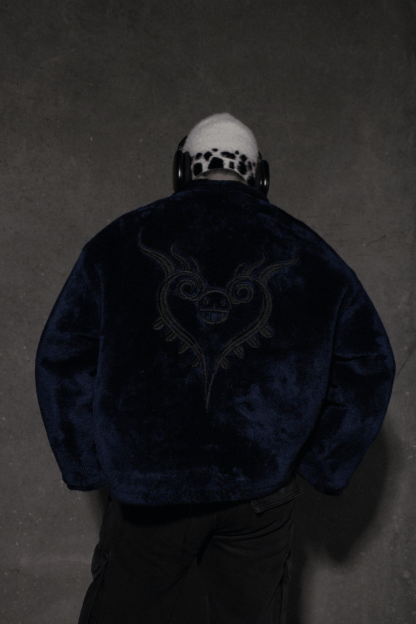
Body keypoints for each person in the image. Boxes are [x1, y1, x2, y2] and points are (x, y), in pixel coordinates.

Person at [35, 113, 396, 624]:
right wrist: (319, 462)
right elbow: (369, 364)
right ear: (260, 176)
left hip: (149, 493)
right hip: (260, 495)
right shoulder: (314, 255)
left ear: (183, 169)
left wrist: (89, 464)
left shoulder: (118, 242)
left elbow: (61, 354)